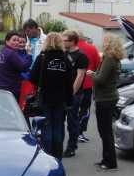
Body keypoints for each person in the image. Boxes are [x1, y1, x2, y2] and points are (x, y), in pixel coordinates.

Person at [29, 33, 72, 160]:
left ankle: (47, 157)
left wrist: (42, 82)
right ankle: (57, 156)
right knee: (58, 126)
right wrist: (70, 101)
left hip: (45, 96)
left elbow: (32, 77)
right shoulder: (65, 59)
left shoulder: (42, 57)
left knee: (47, 126)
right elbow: (70, 82)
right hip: (61, 98)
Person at [88, 34, 123, 171]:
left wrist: (92, 74)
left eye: (104, 41)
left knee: (105, 131)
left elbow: (101, 79)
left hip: (105, 98)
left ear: (109, 43)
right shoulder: (115, 58)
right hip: (109, 97)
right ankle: (106, 159)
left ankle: (110, 162)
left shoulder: (109, 58)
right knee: (105, 130)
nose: (102, 43)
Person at [61, 30, 88, 158]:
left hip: (74, 94)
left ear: (72, 41)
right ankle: (58, 146)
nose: (62, 42)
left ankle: (71, 148)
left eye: (65, 40)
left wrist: (71, 94)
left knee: (72, 122)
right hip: (62, 92)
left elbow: (80, 76)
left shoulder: (81, 56)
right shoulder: (63, 53)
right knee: (59, 120)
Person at [0, 31, 32, 99]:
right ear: (7, 41)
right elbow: (24, 68)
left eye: (18, 40)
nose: (16, 42)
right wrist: (29, 55)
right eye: (14, 40)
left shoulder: (0, 52)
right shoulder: (11, 53)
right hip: (10, 90)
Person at [77, 34, 100, 143]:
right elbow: (97, 66)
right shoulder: (92, 48)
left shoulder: (68, 48)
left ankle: (72, 131)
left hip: (71, 84)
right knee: (84, 109)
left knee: (71, 110)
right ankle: (80, 132)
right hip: (86, 84)